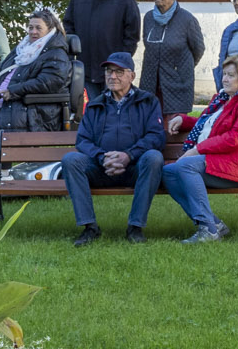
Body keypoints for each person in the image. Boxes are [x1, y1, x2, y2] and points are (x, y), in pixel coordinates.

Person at [159, 52, 238, 243]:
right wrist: (183, 120)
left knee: (185, 166)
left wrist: (197, 150)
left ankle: (207, 229)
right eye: (224, 74)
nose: (225, 79)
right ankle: (214, 224)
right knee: (168, 172)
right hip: (227, 161)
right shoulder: (224, 98)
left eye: (231, 75)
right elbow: (210, 124)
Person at [61, 52, 166, 247]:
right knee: (70, 160)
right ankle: (89, 227)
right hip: (101, 169)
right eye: (109, 71)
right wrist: (102, 158)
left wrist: (129, 155)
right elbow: (83, 140)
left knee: (154, 157)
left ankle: (135, 227)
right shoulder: (95, 104)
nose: (112, 76)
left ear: (132, 76)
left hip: (134, 168)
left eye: (119, 72)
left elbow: (156, 136)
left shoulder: (148, 101)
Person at [0, 8, 74, 171]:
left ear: (50, 29)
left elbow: (50, 81)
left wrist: (14, 91)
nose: (33, 31)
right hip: (8, 102)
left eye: (38, 28)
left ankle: (3, 172)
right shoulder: (23, 47)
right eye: (30, 27)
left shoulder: (56, 53)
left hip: (35, 107)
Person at [63, 0, 140, 104]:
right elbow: (68, 26)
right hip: (85, 71)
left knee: (113, 110)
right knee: (91, 110)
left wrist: (121, 61)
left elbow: (132, 33)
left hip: (113, 72)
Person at [139, 0, 206, 116]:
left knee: (173, 125)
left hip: (177, 84)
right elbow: (147, 44)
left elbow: (198, 49)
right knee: (149, 121)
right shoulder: (149, 18)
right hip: (150, 82)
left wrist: (182, 67)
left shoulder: (186, 19)